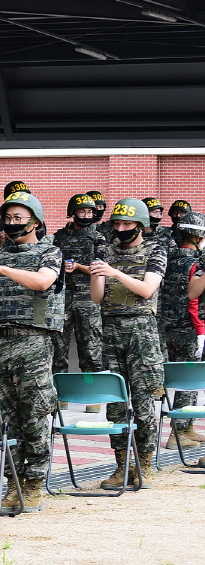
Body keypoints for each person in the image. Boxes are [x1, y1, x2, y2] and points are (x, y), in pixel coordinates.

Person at [0, 191, 64, 513]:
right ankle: (13, 485)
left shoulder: (49, 252)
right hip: (1, 342)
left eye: (17, 219)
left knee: (35, 414)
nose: (10, 224)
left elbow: (42, 283)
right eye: (7, 218)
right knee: (5, 419)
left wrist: (2, 270)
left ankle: (34, 484)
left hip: (33, 342)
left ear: (35, 221)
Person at [90, 197, 167, 490]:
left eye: (127, 224)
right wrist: (99, 273)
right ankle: (122, 465)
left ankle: (144, 464)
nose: (121, 229)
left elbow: (147, 289)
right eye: (118, 224)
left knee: (144, 400)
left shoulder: (155, 250)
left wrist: (115, 273)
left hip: (142, 330)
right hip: (111, 328)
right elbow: (97, 297)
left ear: (141, 225)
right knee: (116, 402)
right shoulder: (106, 251)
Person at [52, 193, 108, 411]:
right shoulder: (60, 236)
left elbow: (101, 267)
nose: (85, 215)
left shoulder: (98, 237)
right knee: (59, 348)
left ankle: (91, 396)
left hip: (88, 298)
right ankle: (60, 394)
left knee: (91, 348)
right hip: (62, 297)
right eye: (81, 211)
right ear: (72, 213)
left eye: (89, 212)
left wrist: (78, 267)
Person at [160, 211, 205, 447]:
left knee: (180, 378)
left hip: (167, 326)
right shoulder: (197, 264)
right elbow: (194, 300)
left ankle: (187, 426)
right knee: (189, 380)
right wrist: (200, 332)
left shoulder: (166, 260)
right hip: (189, 327)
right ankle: (178, 433)